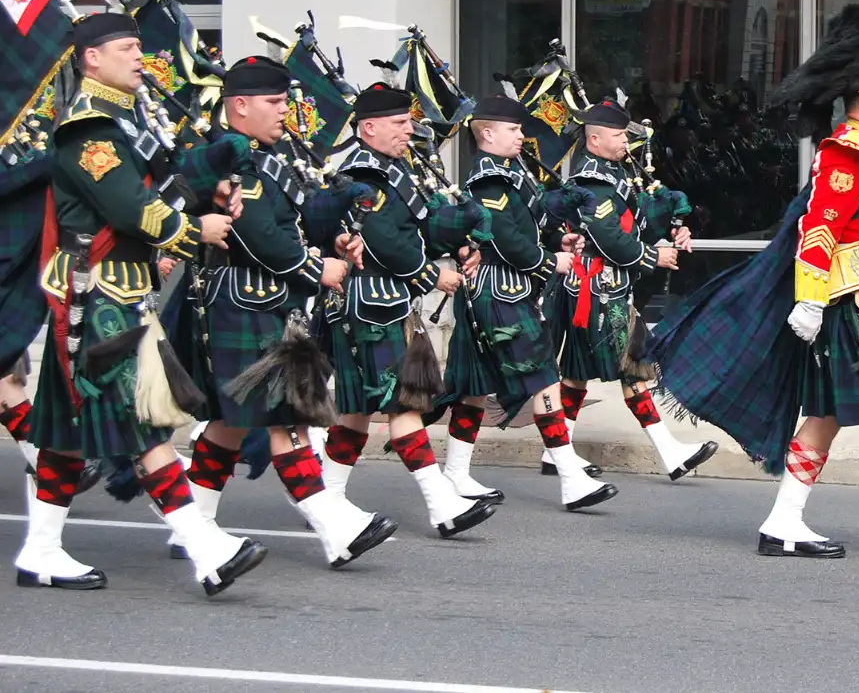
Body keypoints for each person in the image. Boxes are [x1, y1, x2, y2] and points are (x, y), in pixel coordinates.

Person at [643, 0, 859, 565]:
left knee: (825, 420)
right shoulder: (848, 152)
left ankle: (783, 521)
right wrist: (809, 302)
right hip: (852, 309)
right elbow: (819, 230)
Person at [17, 12, 266, 595]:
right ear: (92, 58)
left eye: (138, 46)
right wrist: (193, 230)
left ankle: (41, 549)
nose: (139, 56)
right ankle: (206, 548)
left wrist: (210, 184)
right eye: (127, 47)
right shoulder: (89, 128)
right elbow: (131, 208)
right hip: (96, 291)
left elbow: (163, 182)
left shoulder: (129, 119)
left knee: (67, 431)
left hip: (121, 285)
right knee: (142, 419)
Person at [172, 56, 397, 568]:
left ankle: (194, 522)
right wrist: (316, 268)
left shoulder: (269, 157)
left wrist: (333, 237)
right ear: (240, 105)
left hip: (265, 303)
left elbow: (293, 220)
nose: (283, 110)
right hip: (242, 302)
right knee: (287, 415)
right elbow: (258, 236)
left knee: (229, 423)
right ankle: (336, 529)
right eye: (273, 102)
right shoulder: (229, 158)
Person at [314, 83, 496, 538]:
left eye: (408, 122)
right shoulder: (362, 175)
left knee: (357, 411)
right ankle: (441, 504)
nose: (408, 130)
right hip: (366, 302)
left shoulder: (393, 171)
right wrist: (430, 275)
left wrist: (461, 241)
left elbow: (420, 229)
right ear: (368, 128)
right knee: (403, 402)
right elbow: (383, 241)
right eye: (398, 123)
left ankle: (326, 497)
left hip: (385, 301)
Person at [445, 93, 617, 510]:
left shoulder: (510, 172)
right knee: (542, 376)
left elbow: (531, 224)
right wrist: (549, 261)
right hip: (499, 289)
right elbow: (505, 238)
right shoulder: (488, 180)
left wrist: (559, 239)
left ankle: (454, 473)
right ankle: (570, 477)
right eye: (513, 129)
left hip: (504, 289)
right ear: (487, 134)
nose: (521, 135)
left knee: (475, 387)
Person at [548, 100, 717, 482]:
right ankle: (670, 451)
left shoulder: (615, 172)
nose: (626, 140)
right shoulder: (592, 182)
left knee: (578, 373)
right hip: (596, 288)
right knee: (632, 368)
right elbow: (608, 237)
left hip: (605, 288)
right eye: (618, 134)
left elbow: (641, 216)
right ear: (594, 140)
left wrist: (675, 226)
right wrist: (653, 256)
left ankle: (554, 451)